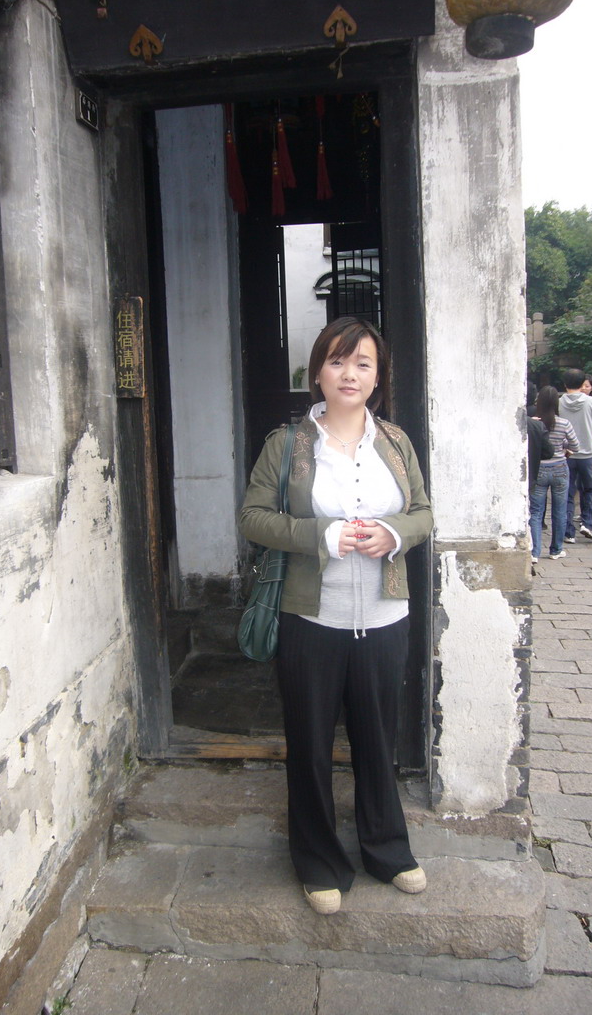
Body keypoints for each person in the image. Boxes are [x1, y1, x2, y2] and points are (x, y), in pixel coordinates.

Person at [239, 316, 433, 916]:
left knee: (378, 739)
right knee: (310, 742)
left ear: (377, 378)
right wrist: (322, 535)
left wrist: (392, 533)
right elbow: (253, 519)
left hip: (384, 617)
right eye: (337, 361)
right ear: (317, 371)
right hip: (310, 621)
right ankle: (318, 859)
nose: (350, 374)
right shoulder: (289, 445)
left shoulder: (396, 444)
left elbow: (424, 513)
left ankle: (387, 849)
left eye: (363, 364)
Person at [529, 387, 579, 563]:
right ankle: (556, 549)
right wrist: (564, 448)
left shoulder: (534, 422)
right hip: (559, 468)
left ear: (538, 402)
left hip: (539, 468)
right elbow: (576, 446)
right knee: (560, 510)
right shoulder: (564, 423)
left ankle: (534, 552)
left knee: (536, 511)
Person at [559, 369, 592, 541]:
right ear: (582, 384)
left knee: (567, 493)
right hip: (588, 453)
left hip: (567, 454)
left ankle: (568, 533)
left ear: (565, 384)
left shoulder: (559, 403)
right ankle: (588, 524)